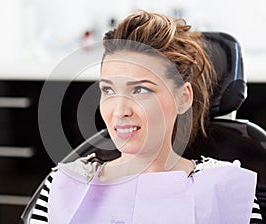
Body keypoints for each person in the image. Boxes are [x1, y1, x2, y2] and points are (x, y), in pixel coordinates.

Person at [30, 10, 263, 223]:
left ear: (182, 98)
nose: (120, 110)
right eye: (108, 90)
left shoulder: (228, 191)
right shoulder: (64, 185)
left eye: (140, 89)